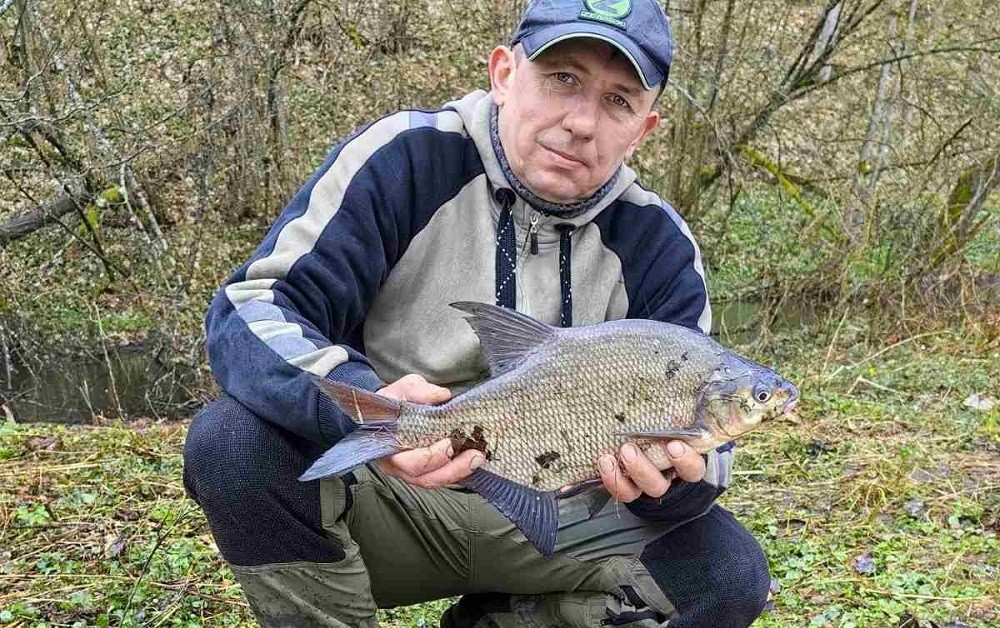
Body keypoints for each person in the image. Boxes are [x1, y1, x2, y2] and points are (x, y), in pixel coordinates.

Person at [183, 0, 771, 626]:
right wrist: (364, 398)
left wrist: (675, 482)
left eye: (618, 101)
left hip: (563, 515)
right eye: (562, 78)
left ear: (644, 129)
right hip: (392, 490)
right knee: (232, 444)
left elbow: (712, 452)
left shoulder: (661, 245)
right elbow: (250, 309)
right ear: (503, 74)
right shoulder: (403, 160)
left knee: (726, 576)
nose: (581, 122)